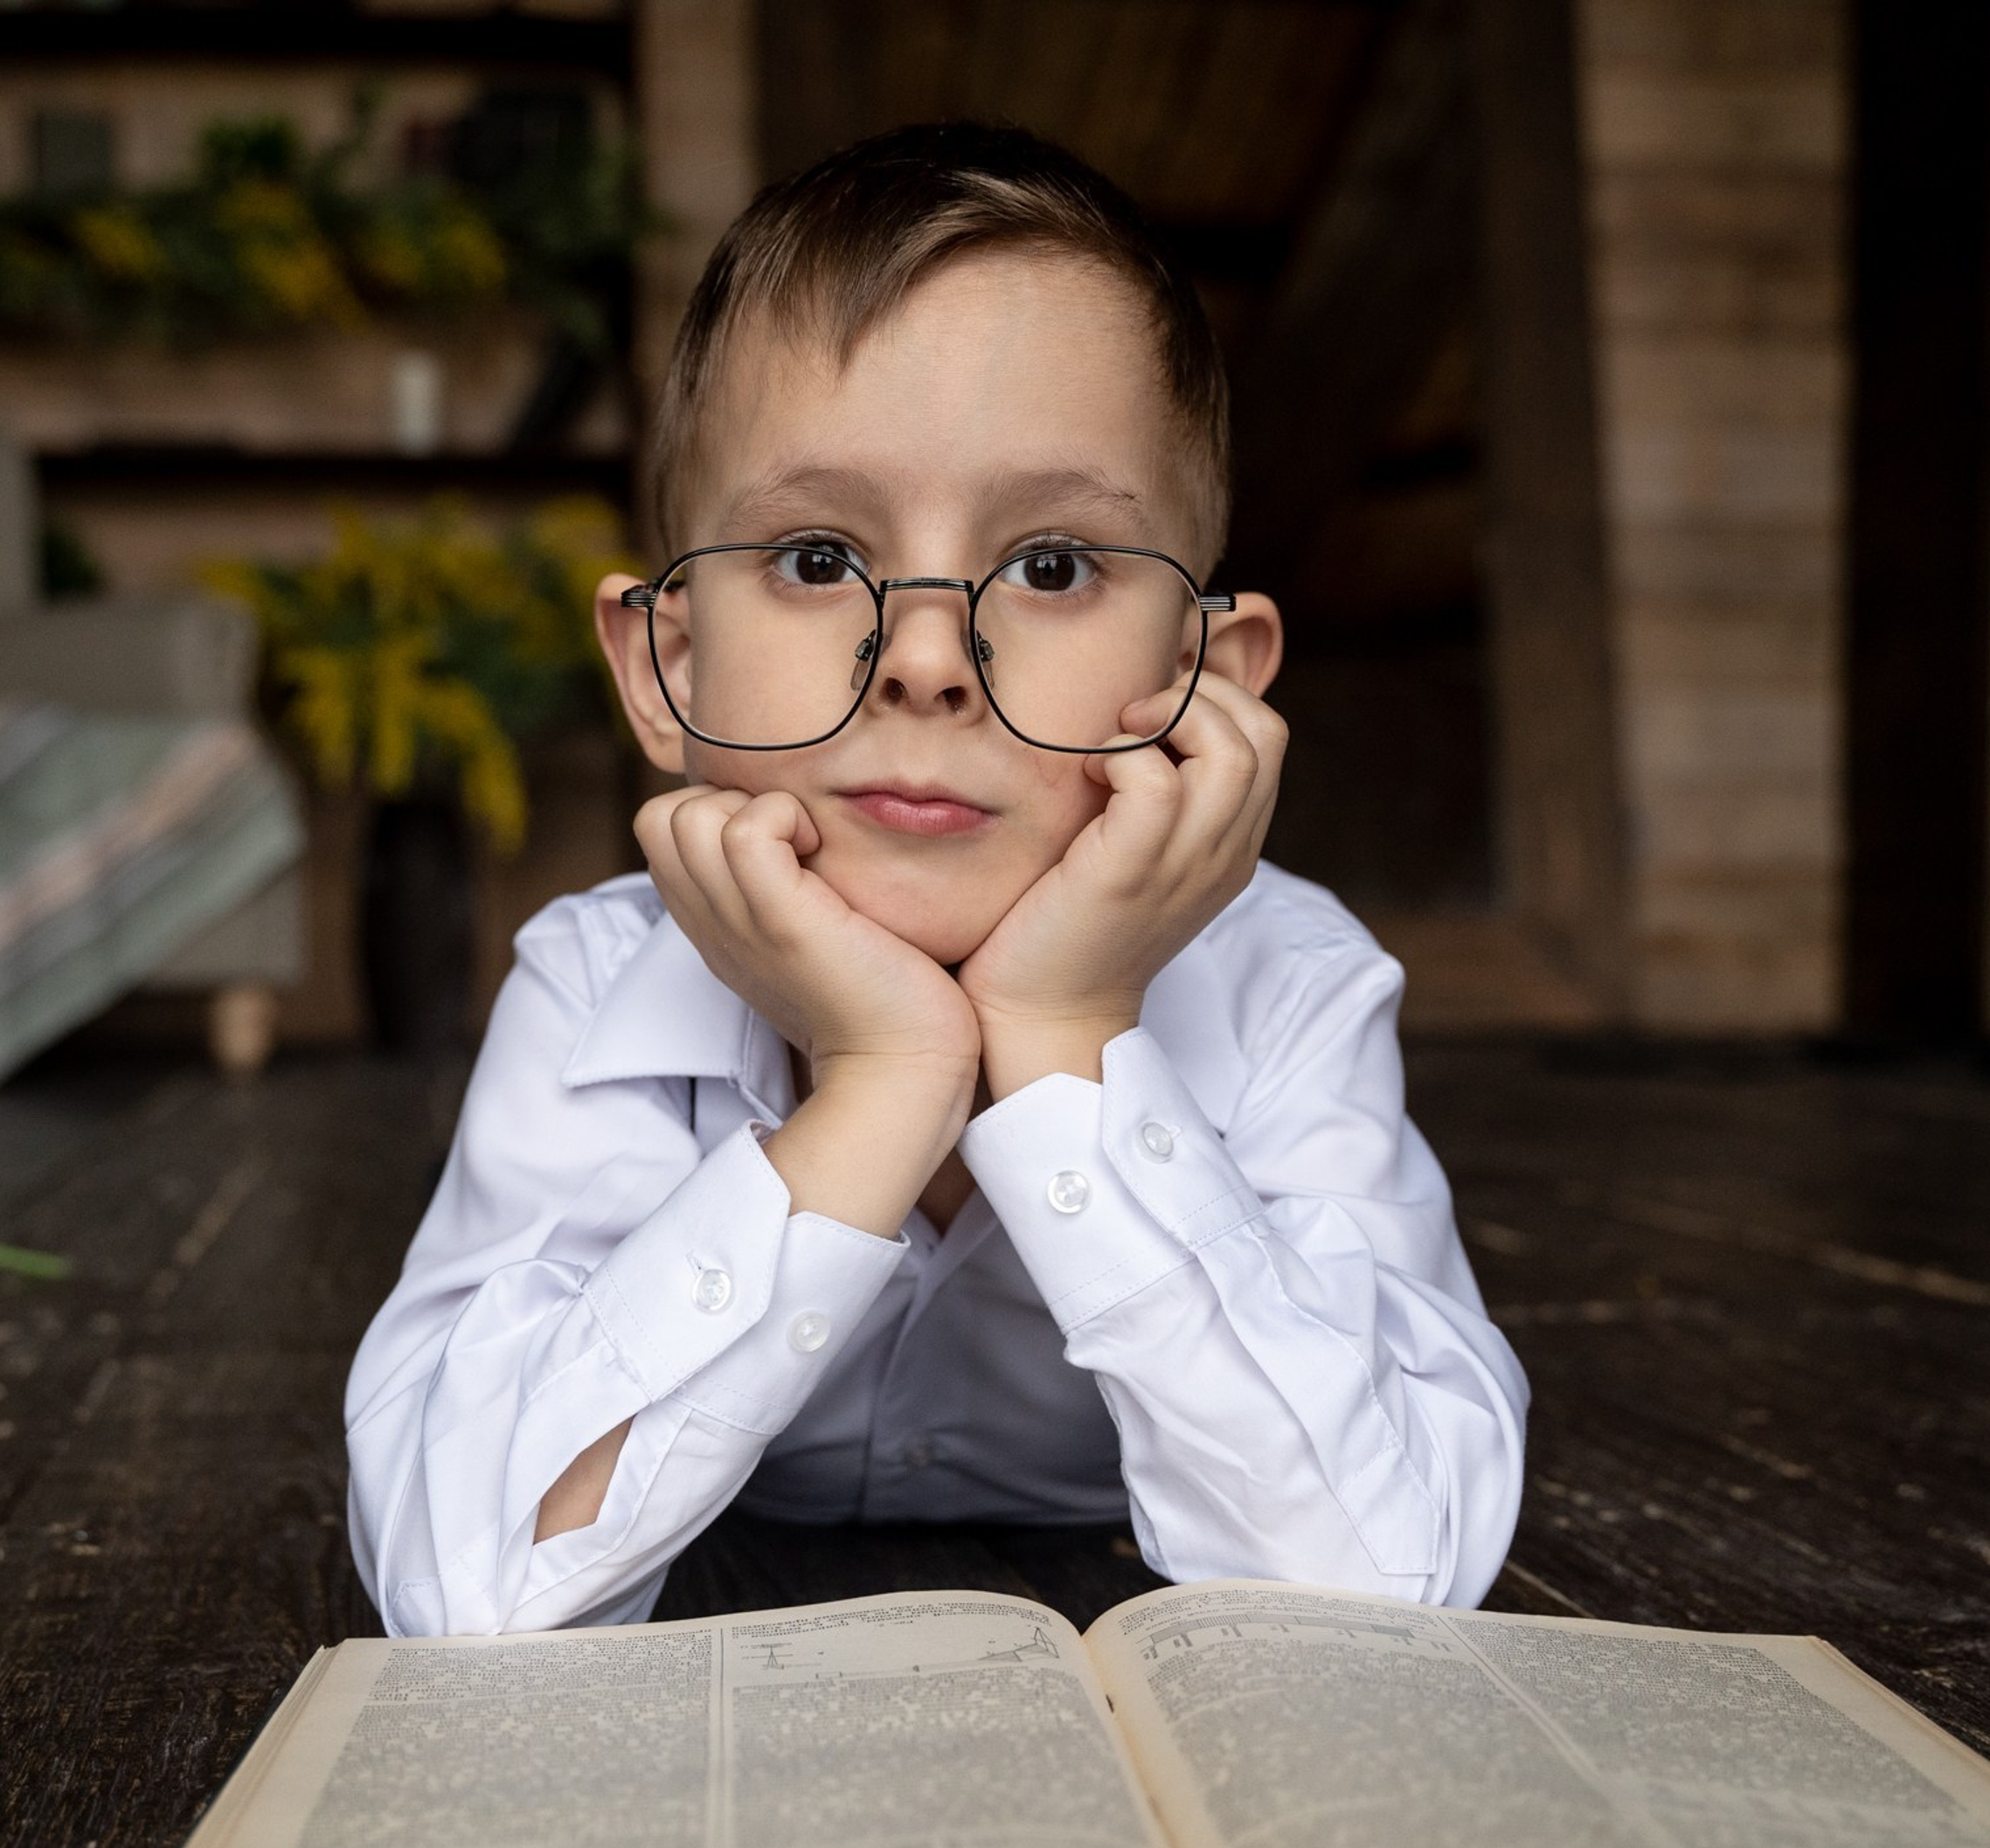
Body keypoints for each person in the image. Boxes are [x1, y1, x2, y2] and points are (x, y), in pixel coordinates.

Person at [345, 123, 1527, 1636]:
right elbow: (469, 1591)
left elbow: (1390, 1577)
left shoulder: (1292, 986)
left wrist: (1067, 1035)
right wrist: (881, 1081)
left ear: (1199, 679)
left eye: (1049, 569)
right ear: (667, 663)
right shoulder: (594, 986)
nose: (921, 661)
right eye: (820, 558)